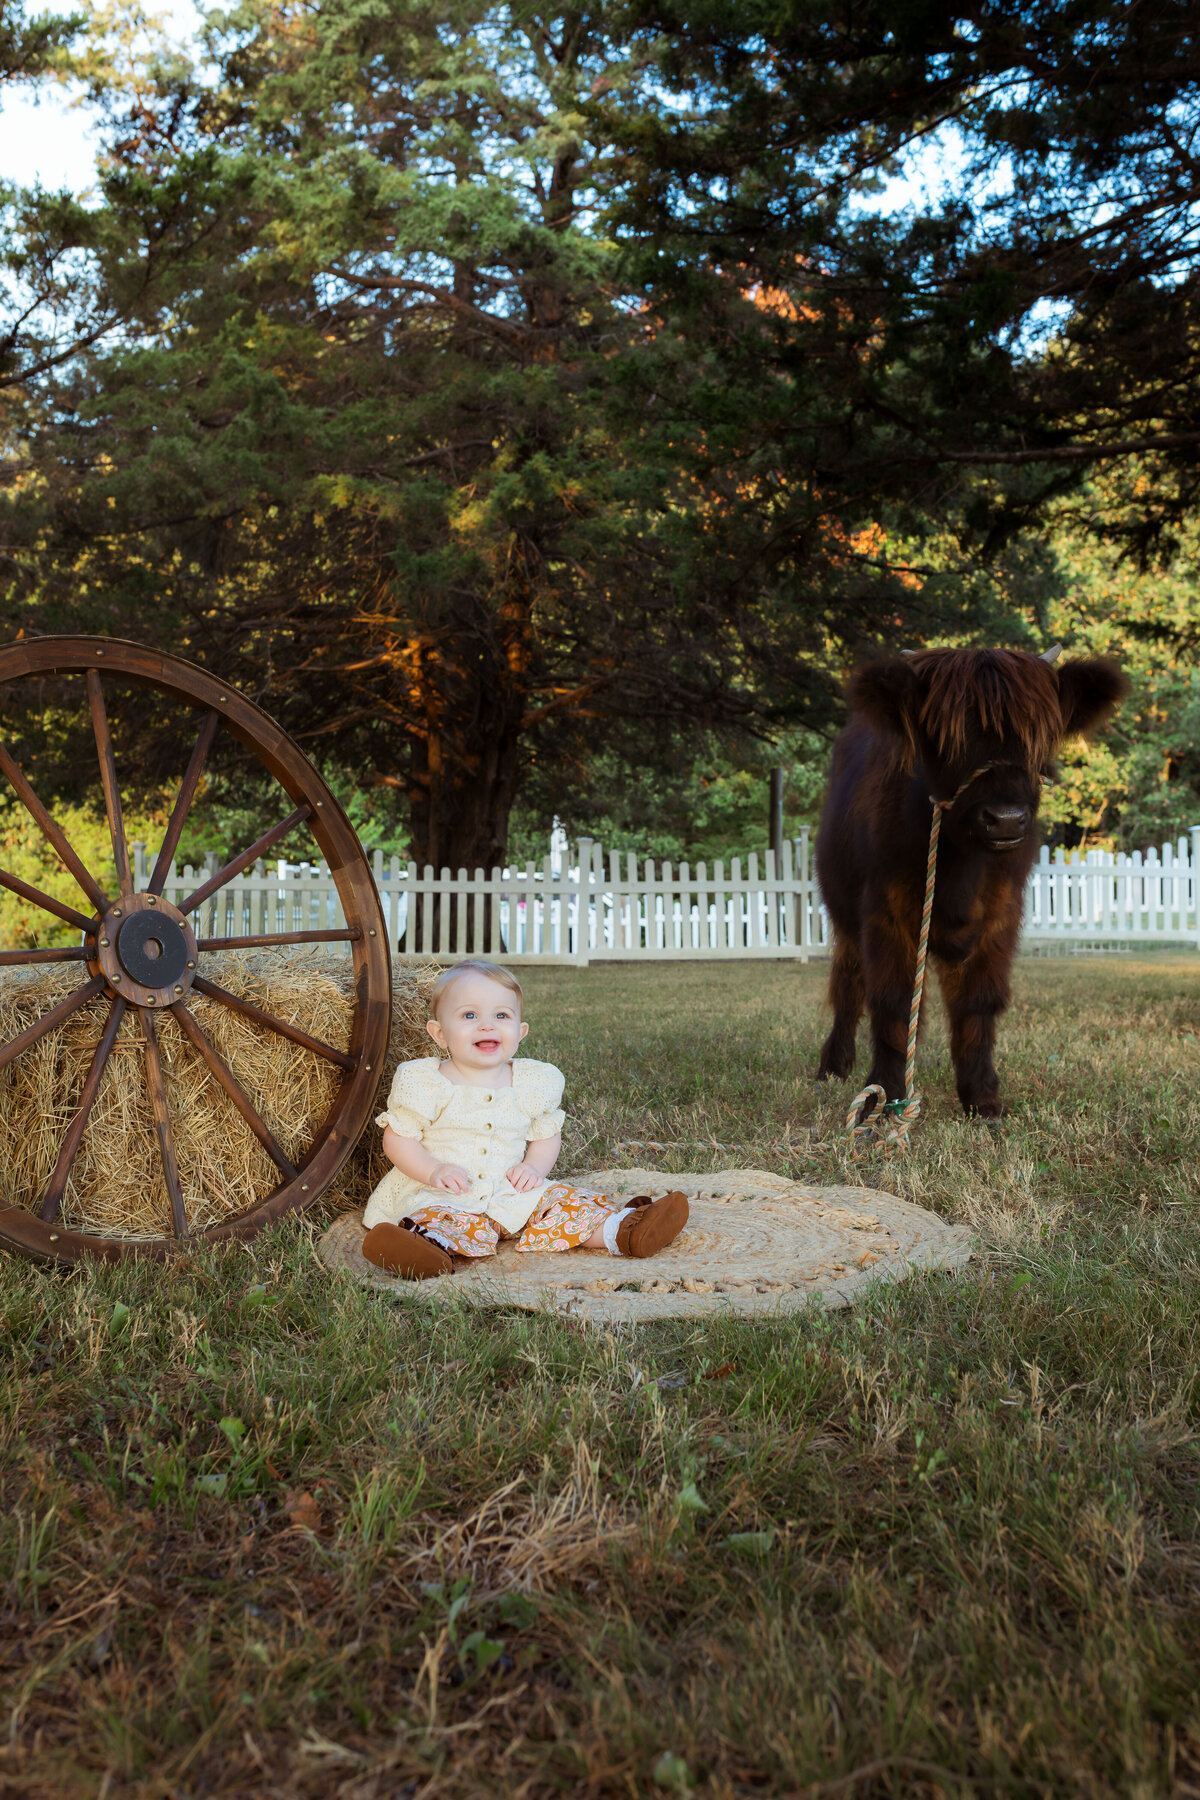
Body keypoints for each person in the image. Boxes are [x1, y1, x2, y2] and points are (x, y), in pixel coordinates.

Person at [360, 959, 688, 1280]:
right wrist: (433, 1171)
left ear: (520, 1031)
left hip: (513, 1191)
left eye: (501, 1015)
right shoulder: (426, 1081)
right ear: (440, 1033)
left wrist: (533, 1168)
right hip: (446, 1193)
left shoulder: (533, 1082)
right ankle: (424, 1251)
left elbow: (546, 1134)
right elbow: (399, 1137)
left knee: (562, 1204)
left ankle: (625, 1232)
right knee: (437, 1220)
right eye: (469, 1015)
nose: (487, 1025)